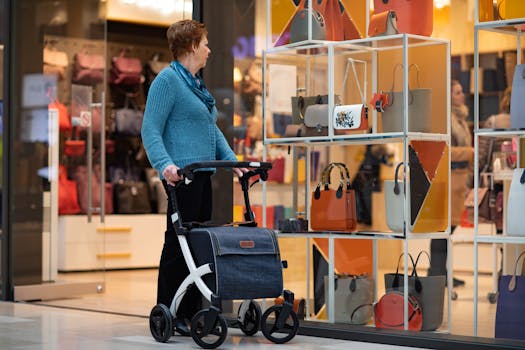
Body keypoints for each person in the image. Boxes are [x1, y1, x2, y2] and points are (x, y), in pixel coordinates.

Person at [141, 19, 246, 336]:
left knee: (198, 247)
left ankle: (190, 313)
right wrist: (165, 165)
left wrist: (232, 161)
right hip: (180, 177)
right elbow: (150, 129)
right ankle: (167, 312)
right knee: (177, 245)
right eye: (205, 43)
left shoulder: (195, 85)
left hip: (202, 175)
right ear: (190, 47)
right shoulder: (167, 82)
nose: (209, 49)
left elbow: (210, 130)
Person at [428, 80, 474, 287]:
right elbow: (444, 150)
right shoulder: (446, 120)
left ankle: (441, 273)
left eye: (461, 91)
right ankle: (436, 275)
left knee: (449, 230)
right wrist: (470, 152)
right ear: (449, 96)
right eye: (457, 92)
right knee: (442, 229)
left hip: (460, 180)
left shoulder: (460, 119)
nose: (462, 95)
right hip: (448, 180)